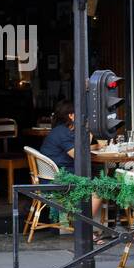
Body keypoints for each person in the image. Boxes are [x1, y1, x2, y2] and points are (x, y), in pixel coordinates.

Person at [39, 100, 104, 234]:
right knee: (99, 190)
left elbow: (79, 149)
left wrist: (97, 146)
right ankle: (83, 230)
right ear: (71, 116)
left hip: (59, 174)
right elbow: (78, 154)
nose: (86, 117)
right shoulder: (64, 133)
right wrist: (89, 132)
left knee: (98, 179)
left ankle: (80, 223)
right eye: (82, 114)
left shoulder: (63, 130)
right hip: (57, 180)